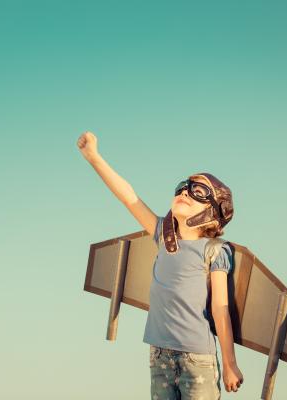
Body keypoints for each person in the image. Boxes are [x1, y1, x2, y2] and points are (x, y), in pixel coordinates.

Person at [77, 131, 244, 399]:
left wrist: (230, 363)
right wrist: (94, 158)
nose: (185, 193)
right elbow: (129, 197)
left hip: (197, 359)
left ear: (213, 212)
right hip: (159, 356)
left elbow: (220, 308)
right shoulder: (163, 237)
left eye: (198, 191)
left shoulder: (215, 250)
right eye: (183, 187)